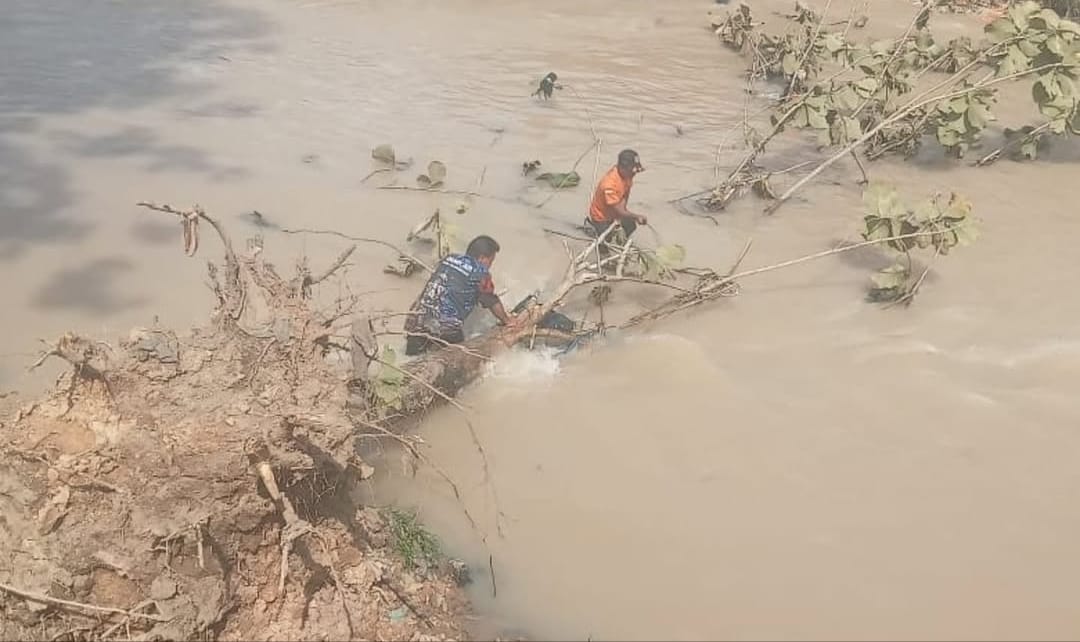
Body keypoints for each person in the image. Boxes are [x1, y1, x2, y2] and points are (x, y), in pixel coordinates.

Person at [404, 235, 515, 356]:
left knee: (411, 359)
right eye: (491, 261)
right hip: (445, 327)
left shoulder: (449, 259)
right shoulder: (480, 273)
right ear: (482, 258)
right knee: (459, 359)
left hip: (416, 319)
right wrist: (507, 320)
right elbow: (491, 301)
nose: (490, 266)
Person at [585, 149, 649, 241]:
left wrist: (623, 213)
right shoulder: (609, 185)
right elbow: (620, 211)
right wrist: (636, 216)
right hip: (601, 216)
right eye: (633, 171)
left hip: (615, 211)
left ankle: (622, 241)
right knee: (606, 238)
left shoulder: (628, 176)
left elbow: (624, 196)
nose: (635, 174)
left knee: (630, 225)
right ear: (623, 168)